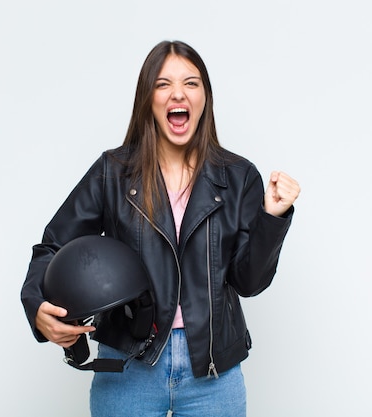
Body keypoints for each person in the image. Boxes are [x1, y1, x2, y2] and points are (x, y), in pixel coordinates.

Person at [21, 40, 300, 417]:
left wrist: (272, 216)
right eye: (163, 84)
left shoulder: (238, 177)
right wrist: (37, 306)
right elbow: (53, 245)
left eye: (191, 82)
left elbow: (250, 282)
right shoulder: (112, 172)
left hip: (213, 372)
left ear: (204, 98)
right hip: (129, 366)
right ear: (147, 98)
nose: (177, 93)